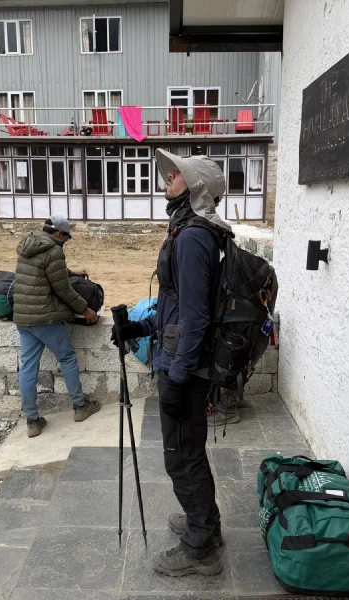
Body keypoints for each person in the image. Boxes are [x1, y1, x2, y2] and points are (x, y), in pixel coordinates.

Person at [112, 149, 232, 577]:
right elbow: (174, 306)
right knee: (188, 451)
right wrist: (140, 330)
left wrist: (178, 377)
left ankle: (200, 547)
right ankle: (207, 523)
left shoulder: (194, 237)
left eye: (176, 173)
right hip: (180, 359)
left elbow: (197, 315)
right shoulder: (187, 229)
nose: (168, 176)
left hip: (186, 369)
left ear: (194, 186)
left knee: (181, 456)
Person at [14, 216, 101, 438]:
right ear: (58, 234)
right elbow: (63, 290)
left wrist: (71, 272)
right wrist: (86, 310)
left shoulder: (28, 244)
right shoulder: (54, 250)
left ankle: (32, 421)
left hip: (24, 317)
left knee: (28, 368)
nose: (66, 241)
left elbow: (42, 272)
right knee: (67, 358)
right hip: (46, 318)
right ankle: (80, 407)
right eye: (66, 237)